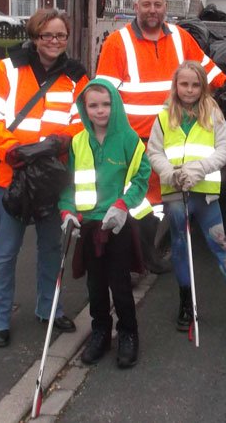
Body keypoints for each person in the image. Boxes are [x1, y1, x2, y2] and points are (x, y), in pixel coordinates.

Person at [0, 9, 88, 348]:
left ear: (67, 39)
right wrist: (11, 150)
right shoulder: (6, 70)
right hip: (12, 173)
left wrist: (62, 140)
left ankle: (49, 309)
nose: (54, 42)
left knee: (52, 246)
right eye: (47, 35)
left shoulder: (76, 76)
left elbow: (85, 119)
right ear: (35, 37)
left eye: (60, 36)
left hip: (52, 176)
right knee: (6, 250)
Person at [96, 0, 226, 273]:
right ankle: (129, 262)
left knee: (159, 203)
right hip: (133, 142)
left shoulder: (179, 38)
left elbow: (203, 68)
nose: (152, 10)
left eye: (157, 4)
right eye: (146, 4)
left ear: (165, 6)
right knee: (135, 200)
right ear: (136, 7)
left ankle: (148, 255)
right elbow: (105, 93)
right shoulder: (117, 43)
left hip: (167, 139)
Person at [147, 61, 226, 329]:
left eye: (196, 85)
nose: (190, 90)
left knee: (220, 244)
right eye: (184, 84)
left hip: (204, 195)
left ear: (203, 87)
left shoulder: (213, 112)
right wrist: (170, 174)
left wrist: (199, 169)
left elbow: (223, 151)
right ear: (176, 85)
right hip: (177, 195)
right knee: (181, 247)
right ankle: (186, 301)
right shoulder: (163, 115)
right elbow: (154, 152)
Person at [58, 78, 150, 367]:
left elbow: (141, 178)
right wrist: (67, 211)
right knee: (95, 286)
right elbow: (69, 185)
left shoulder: (129, 140)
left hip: (117, 225)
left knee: (120, 285)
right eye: (93, 105)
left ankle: (128, 333)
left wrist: (123, 205)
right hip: (88, 227)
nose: (101, 111)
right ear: (84, 108)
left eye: (106, 104)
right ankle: (99, 332)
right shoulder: (78, 142)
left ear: (116, 104)